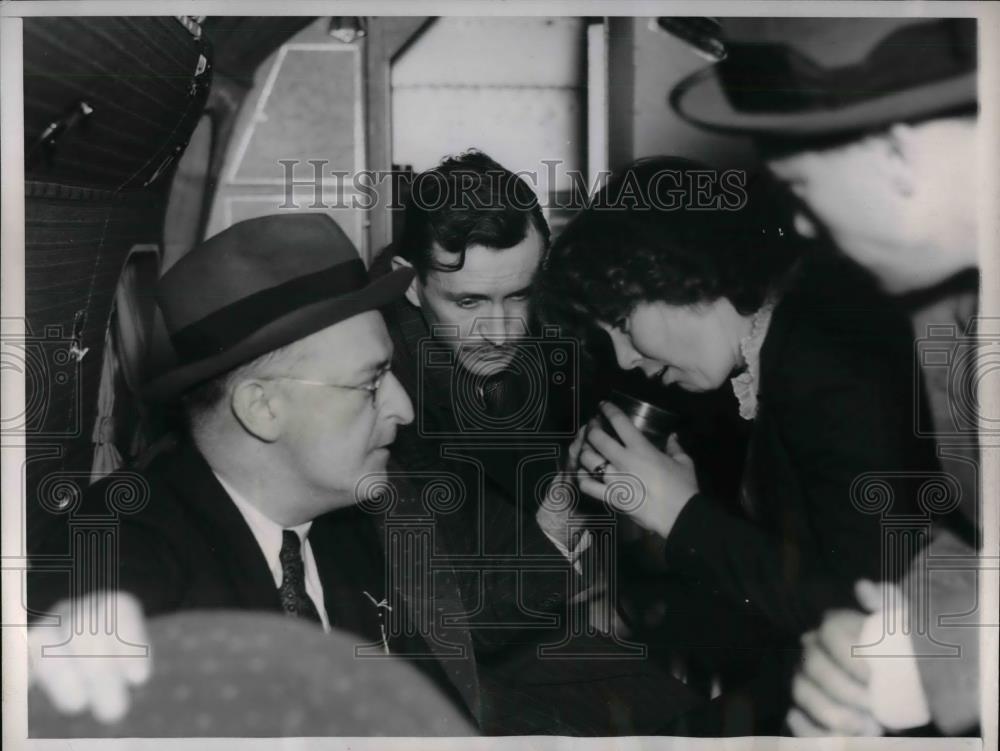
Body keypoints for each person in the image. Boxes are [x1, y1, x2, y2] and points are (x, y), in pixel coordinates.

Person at [27, 213, 477, 728]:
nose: (403, 409)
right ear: (261, 408)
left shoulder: (339, 520)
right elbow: (74, 636)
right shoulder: (118, 550)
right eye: (371, 385)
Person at [667, 16, 983, 736]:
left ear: (898, 153)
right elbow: (973, 539)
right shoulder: (945, 301)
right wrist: (885, 642)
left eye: (802, 187)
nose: (803, 226)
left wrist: (941, 661)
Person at [540, 154, 939, 654]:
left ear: (683, 276)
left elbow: (864, 611)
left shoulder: (828, 367)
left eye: (622, 323)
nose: (623, 358)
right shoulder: (772, 354)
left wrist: (679, 512)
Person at [370, 151, 706, 735]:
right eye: (468, 302)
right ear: (410, 283)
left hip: (541, 624)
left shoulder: (552, 336)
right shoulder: (382, 390)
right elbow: (452, 612)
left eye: (519, 296)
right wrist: (559, 530)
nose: (501, 334)